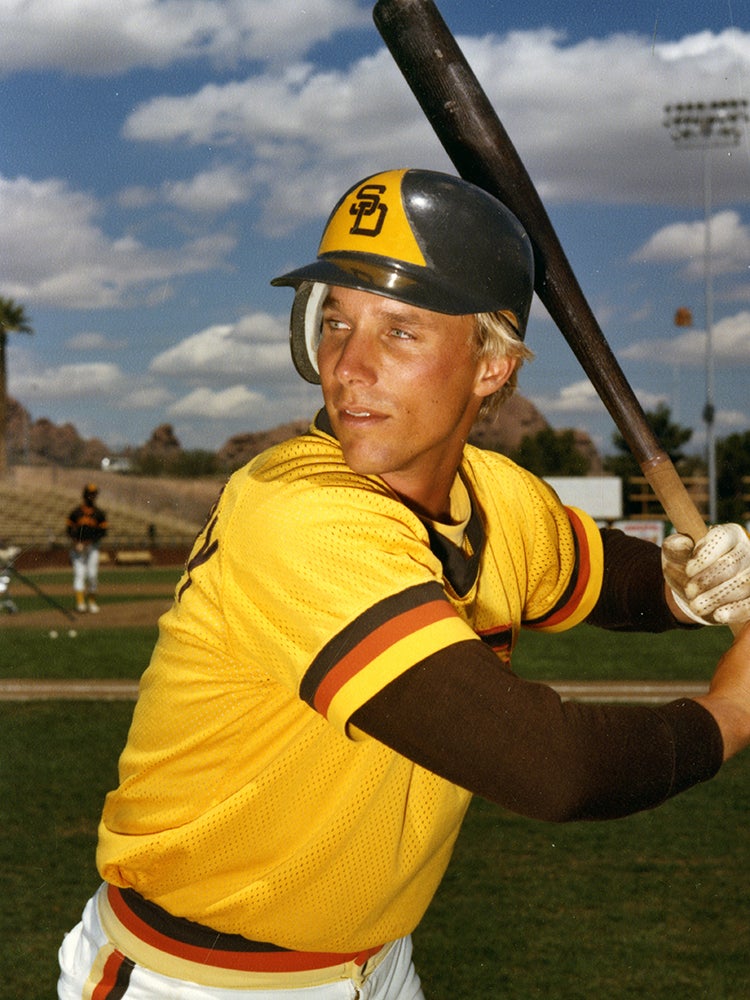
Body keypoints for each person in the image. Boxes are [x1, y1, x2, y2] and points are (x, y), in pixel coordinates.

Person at [58, 169, 750, 999]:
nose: (348, 366)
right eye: (336, 321)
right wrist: (735, 712)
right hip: (199, 978)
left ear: (490, 365)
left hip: (379, 963)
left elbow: (609, 577)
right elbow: (551, 767)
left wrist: (687, 584)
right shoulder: (299, 515)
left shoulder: (495, 494)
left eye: (400, 332)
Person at [66, 482, 108, 613]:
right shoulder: (76, 512)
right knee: (79, 575)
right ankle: (80, 603)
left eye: (94, 494)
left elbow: (103, 533)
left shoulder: (99, 514)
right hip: (77, 550)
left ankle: (91, 602)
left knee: (92, 575)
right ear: (85, 495)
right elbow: (68, 530)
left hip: (92, 549)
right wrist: (75, 543)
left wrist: (86, 543)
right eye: (89, 494)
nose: (92, 497)